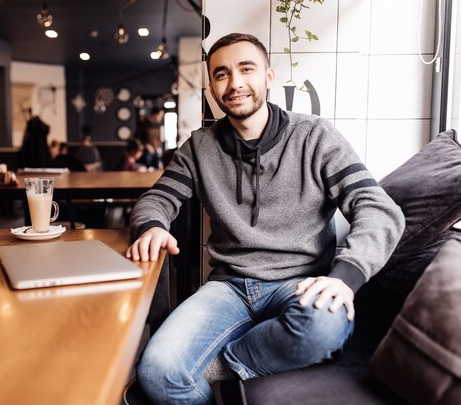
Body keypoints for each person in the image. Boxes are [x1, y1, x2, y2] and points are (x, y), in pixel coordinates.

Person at [125, 33, 405, 405]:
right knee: (156, 371)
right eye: (222, 74)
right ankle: (185, 373)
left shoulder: (315, 136)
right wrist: (153, 225)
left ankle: (214, 366)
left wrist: (346, 275)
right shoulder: (199, 147)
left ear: (269, 77)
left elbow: (377, 208)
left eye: (246, 69)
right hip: (228, 288)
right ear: (211, 87)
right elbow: (156, 199)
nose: (235, 82)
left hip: (301, 281)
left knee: (323, 328)